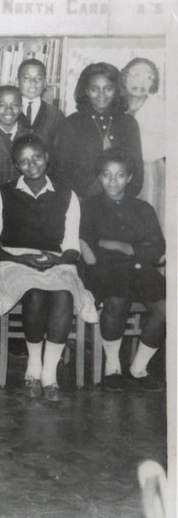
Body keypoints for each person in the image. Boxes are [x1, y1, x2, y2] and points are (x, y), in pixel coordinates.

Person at [0, 134, 96, 403]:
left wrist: (56, 261)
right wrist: (22, 260)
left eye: (37, 157)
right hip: (10, 260)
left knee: (63, 295)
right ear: (16, 166)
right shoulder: (0, 193)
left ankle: (49, 373)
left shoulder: (67, 195)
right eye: (24, 160)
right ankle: (33, 367)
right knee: (35, 293)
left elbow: (71, 248)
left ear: (47, 157)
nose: (32, 164)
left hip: (56, 260)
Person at [79, 149, 165, 392]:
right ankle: (113, 367)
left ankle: (139, 368)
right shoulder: (89, 207)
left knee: (166, 308)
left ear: (129, 178)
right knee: (117, 300)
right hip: (105, 272)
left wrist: (120, 245)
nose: (113, 181)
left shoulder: (143, 208)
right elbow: (91, 252)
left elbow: (157, 248)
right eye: (106, 175)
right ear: (99, 176)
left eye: (119, 175)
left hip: (139, 270)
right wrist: (135, 249)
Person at [55, 62, 143, 199]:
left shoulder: (128, 123)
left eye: (108, 88)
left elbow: (137, 172)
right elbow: (62, 172)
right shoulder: (71, 123)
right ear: (86, 91)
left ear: (116, 90)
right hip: (82, 202)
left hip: (122, 202)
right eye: (94, 89)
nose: (101, 95)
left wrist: (122, 199)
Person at [121, 57, 165, 226]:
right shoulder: (116, 106)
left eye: (148, 77)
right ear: (124, 76)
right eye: (136, 74)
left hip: (150, 172)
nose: (141, 81)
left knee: (148, 222)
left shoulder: (161, 109)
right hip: (120, 173)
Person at [17, 59, 63, 154]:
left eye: (38, 78)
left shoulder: (56, 115)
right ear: (17, 82)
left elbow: (60, 152)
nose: (33, 82)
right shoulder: (7, 112)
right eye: (26, 78)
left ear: (45, 83)